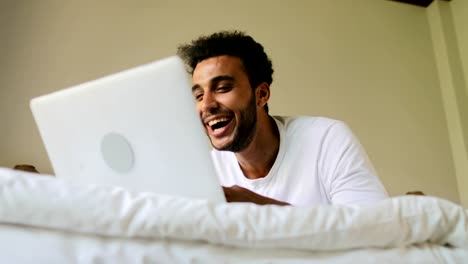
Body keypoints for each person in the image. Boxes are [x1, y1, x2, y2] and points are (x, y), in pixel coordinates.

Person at [177, 30, 388, 206]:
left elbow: (371, 229)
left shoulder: (326, 138)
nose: (206, 105)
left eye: (222, 88)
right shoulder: (209, 171)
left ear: (261, 94)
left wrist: (259, 207)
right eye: (198, 95)